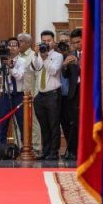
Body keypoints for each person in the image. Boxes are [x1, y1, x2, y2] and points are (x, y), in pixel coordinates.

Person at [30, 30, 63, 160]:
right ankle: (46, 151)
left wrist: (45, 58)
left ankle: (54, 152)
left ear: (53, 42)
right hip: (40, 95)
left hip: (53, 94)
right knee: (43, 125)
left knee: (54, 124)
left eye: (49, 41)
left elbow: (53, 71)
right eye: (44, 41)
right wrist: (36, 54)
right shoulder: (39, 54)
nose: (46, 43)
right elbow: (33, 68)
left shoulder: (58, 56)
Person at [0, 37, 26, 146]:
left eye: (15, 45)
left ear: (18, 48)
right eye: (10, 45)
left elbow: (19, 76)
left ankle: (25, 147)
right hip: (5, 94)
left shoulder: (23, 61)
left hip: (18, 95)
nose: (12, 47)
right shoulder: (1, 59)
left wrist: (11, 66)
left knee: (22, 123)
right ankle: (1, 147)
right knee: (2, 123)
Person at [60, 28, 81, 160]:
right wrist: (65, 65)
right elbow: (65, 75)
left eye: (78, 42)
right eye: (73, 43)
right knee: (73, 122)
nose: (76, 45)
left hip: (88, 91)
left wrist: (80, 65)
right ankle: (73, 151)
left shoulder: (93, 53)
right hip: (74, 92)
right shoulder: (71, 55)